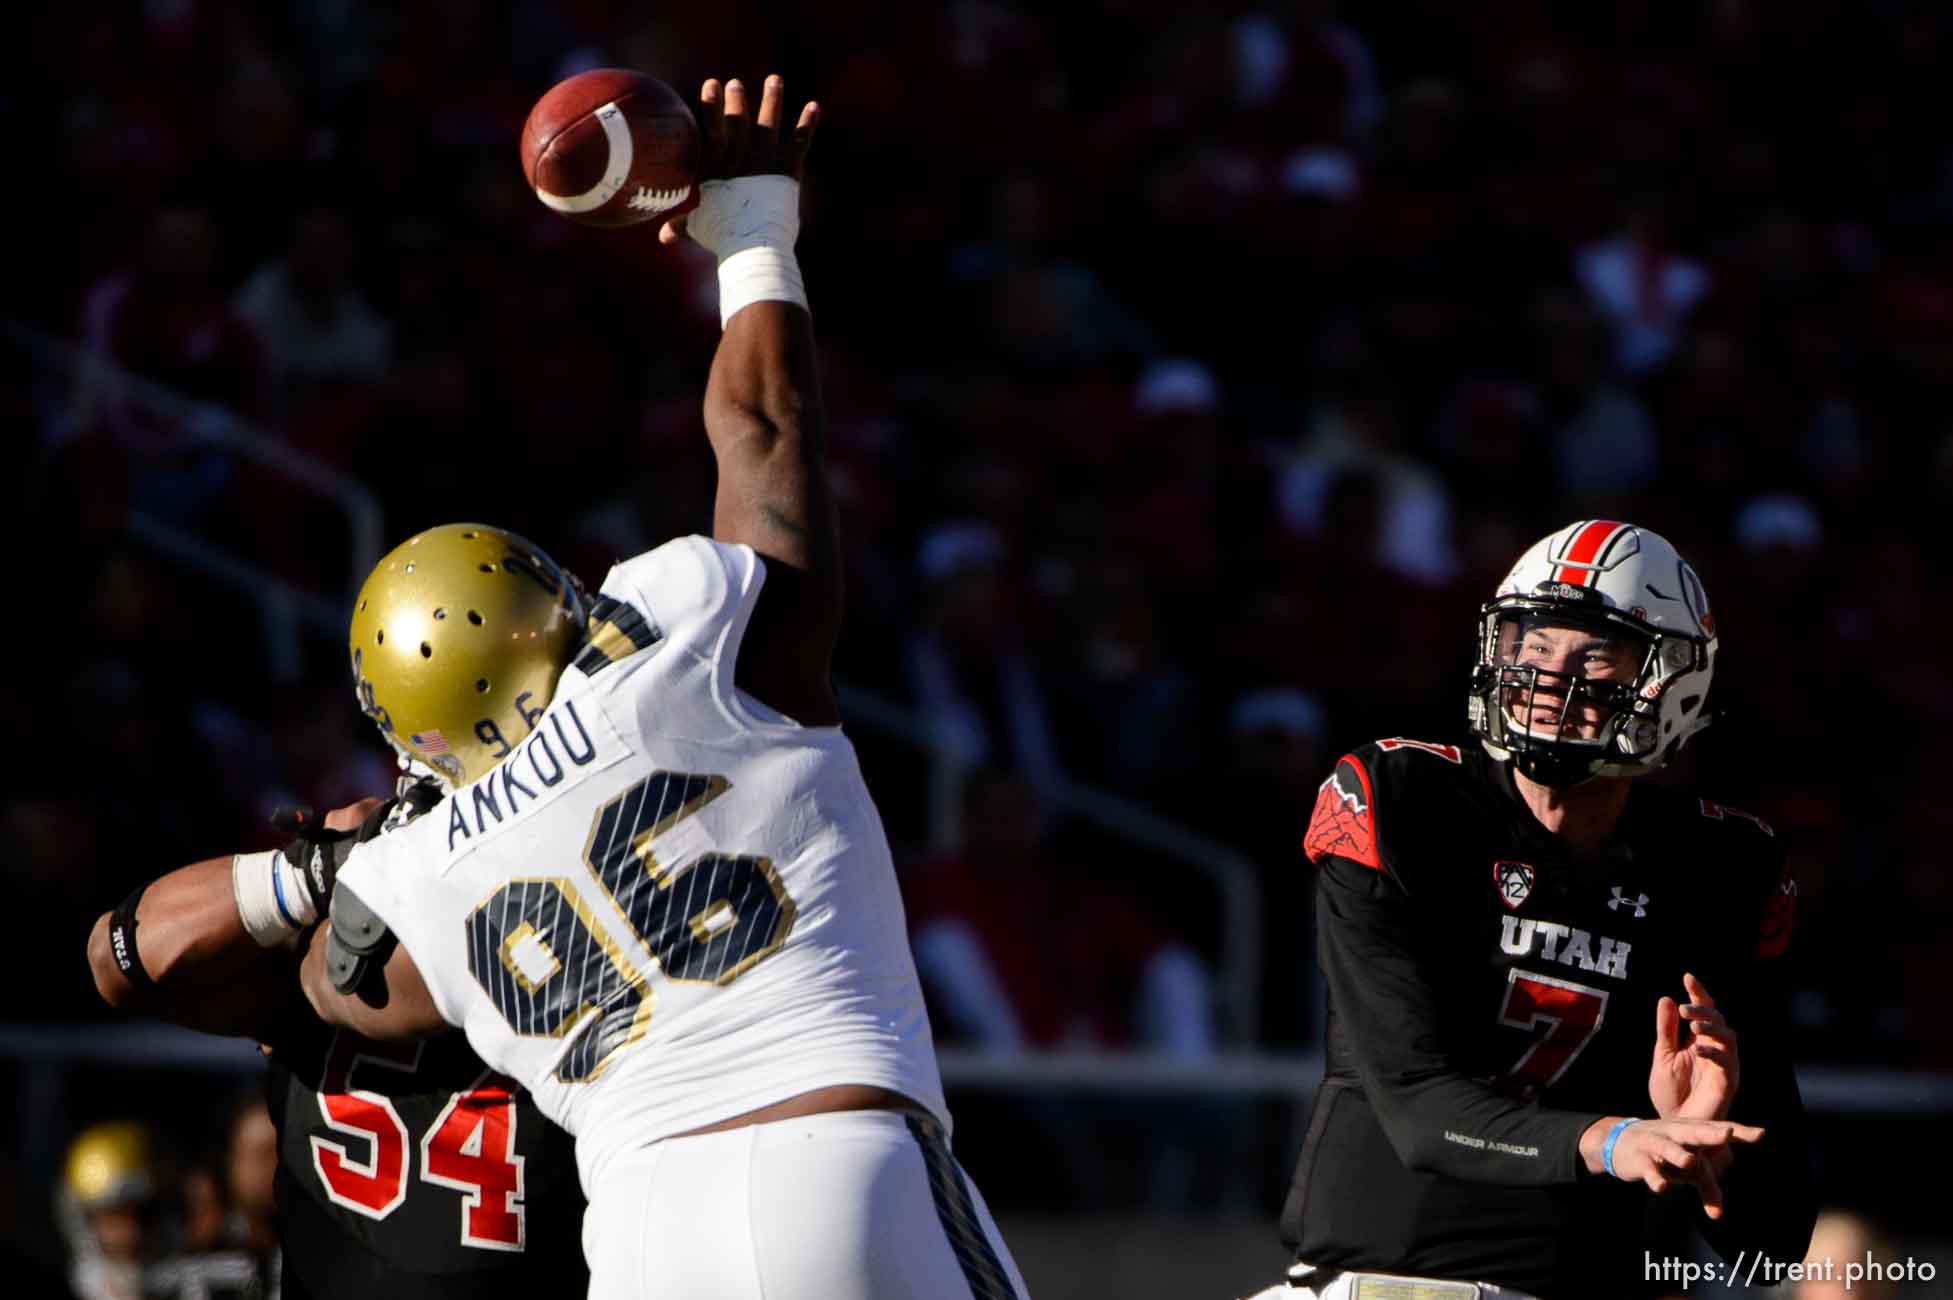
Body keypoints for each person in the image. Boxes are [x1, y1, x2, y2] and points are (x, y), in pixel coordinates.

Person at [222, 74, 1022, 1300]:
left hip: (643, 1231)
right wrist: (754, 230)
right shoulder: (690, 640)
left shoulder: (412, 871)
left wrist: (345, 860)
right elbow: (763, 430)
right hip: (838, 1150)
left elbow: (342, 984)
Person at [1250, 520, 1817, 1299]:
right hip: (1391, 1282)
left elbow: (1771, 1245)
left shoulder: (1721, 868)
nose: (1553, 678)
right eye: (1534, 646)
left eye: (1597, 655)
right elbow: (1415, 1105)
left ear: (1675, 683)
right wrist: (1611, 1138)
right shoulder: (1404, 802)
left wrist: (1707, 1148)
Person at [86, 773, 588, 1300]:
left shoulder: (568, 936)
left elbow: (394, 989)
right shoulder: (324, 941)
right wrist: (305, 874)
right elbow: (120, 957)